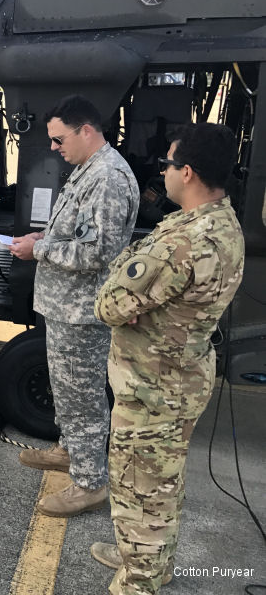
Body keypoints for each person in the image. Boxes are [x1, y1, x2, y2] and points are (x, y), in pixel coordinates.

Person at [91, 123, 244, 595]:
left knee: (140, 488)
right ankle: (145, 557)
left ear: (189, 173)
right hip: (183, 375)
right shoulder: (223, 223)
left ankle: (139, 581)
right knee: (161, 481)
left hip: (152, 387)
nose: (165, 172)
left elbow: (110, 305)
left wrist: (121, 275)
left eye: (169, 164)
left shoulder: (183, 241)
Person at [9, 95, 139, 516]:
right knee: (67, 389)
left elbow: (96, 252)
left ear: (86, 130)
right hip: (65, 306)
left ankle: (89, 482)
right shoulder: (88, 169)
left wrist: (39, 249)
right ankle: (71, 451)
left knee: (83, 397)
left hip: (82, 311)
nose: (53, 147)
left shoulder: (108, 178)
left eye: (58, 138)